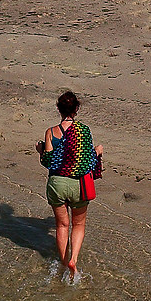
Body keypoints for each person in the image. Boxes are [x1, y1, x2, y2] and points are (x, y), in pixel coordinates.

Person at [35, 90, 102, 284]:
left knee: (61, 225)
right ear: (76, 109)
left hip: (57, 183)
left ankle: (64, 264)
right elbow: (87, 160)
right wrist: (97, 152)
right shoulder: (84, 131)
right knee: (78, 224)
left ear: (59, 109)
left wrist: (40, 151)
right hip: (78, 184)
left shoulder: (51, 132)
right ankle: (74, 260)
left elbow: (49, 161)